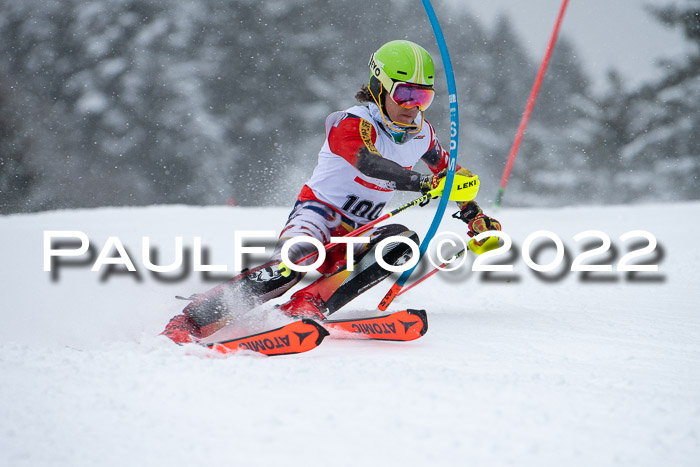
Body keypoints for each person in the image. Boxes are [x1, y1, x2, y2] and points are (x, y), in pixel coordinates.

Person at [162, 40, 501, 344]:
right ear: (378, 86)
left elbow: (449, 173)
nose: (412, 106)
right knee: (293, 263)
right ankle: (191, 319)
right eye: (404, 94)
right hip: (318, 215)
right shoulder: (351, 123)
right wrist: (423, 184)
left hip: (359, 229)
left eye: (422, 97)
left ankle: (307, 306)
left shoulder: (422, 134)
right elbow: (368, 162)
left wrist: (474, 215)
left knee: (401, 243)